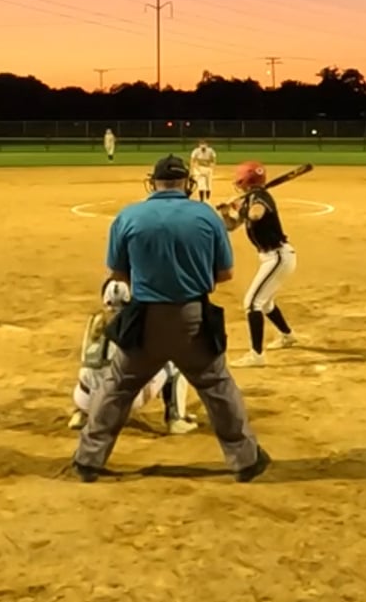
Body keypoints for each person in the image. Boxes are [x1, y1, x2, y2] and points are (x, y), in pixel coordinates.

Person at [72, 154, 268, 483]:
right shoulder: (207, 216)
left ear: (154, 183)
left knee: (117, 387)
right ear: (187, 184)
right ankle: (245, 461)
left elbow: (118, 273)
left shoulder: (128, 216)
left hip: (144, 320)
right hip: (193, 320)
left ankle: (88, 461)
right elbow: (225, 274)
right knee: (217, 386)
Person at [68, 278, 195, 435]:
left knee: (92, 368)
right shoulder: (139, 322)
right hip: (123, 401)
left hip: (85, 398)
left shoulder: (94, 321)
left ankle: (81, 414)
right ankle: (175, 419)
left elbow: (86, 359)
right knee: (175, 361)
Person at [220, 160, 297, 367]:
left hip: (278, 256)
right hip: (271, 257)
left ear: (244, 181)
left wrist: (240, 206)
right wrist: (226, 212)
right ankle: (288, 335)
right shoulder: (251, 198)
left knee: (252, 303)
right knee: (266, 303)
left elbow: (256, 214)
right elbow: (231, 226)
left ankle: (257, 355)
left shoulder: (260, 198)